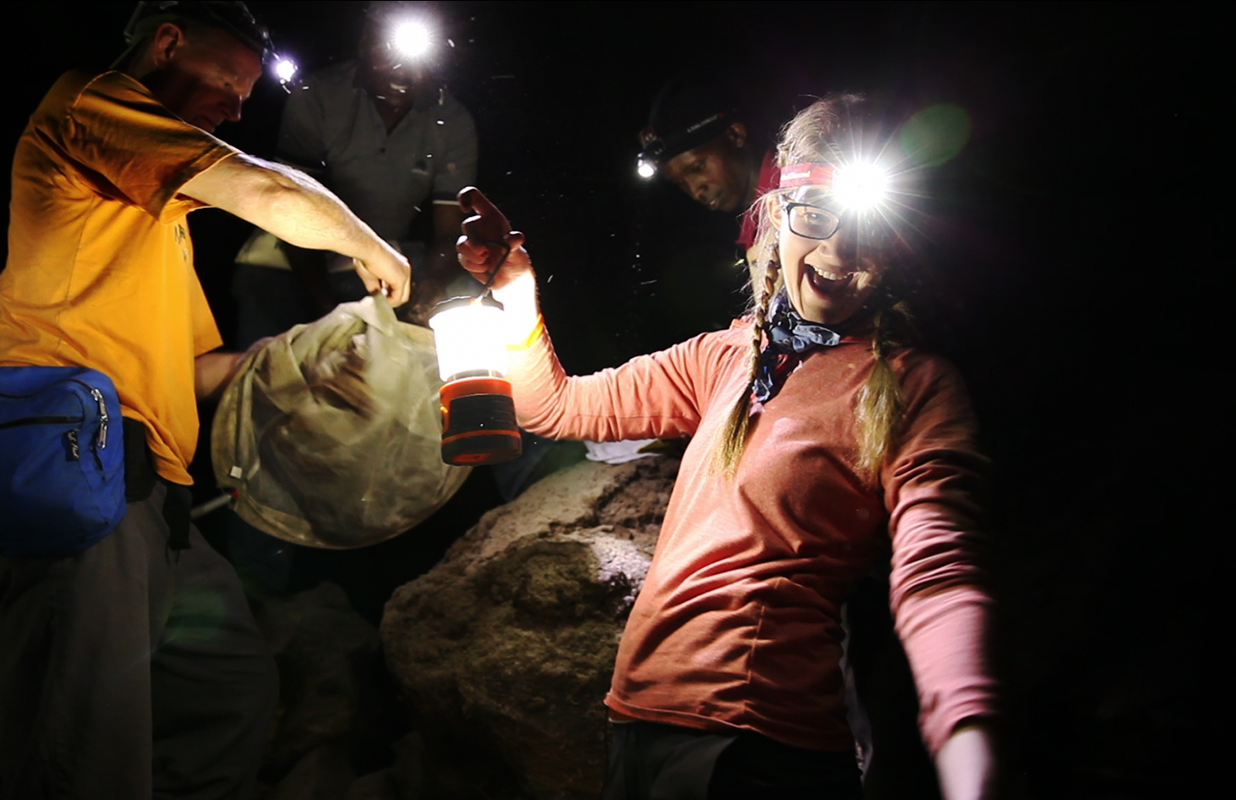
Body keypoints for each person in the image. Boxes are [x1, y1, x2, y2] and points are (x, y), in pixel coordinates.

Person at [458, 93, 997, 799]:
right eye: (815, 215)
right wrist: (517, 291)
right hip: (641, 722)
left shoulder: (909, 384)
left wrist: (965, 733)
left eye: (868, 229)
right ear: (776, 215)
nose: (838, 251)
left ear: (898, 244)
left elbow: (937, 567)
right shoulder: (726, 357)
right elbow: (555, 408)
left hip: (758, 750)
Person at [0, 3, 410, 798]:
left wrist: (294, 359)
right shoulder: (87, 106)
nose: (239, 108)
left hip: (155, 500)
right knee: (84, 744)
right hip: (70, 464)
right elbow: (261, 188)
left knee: (227, 692)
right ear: (168, 42)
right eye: (229, 83)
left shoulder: (154, 213)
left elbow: (199, 367)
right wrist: (365, 242)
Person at [231, 0, 478, 345]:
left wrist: (430, 289)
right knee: (264, 285)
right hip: (303, 241)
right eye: (387, 48)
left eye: (414, 54)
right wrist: (327, 310)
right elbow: (289, 200)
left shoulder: (452, 121)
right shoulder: (318, 95)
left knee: (471, 293)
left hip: (393, 251)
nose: (401, 67)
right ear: (364, 45)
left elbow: (449, 233)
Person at [637, 74, 780, 267]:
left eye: (698, 167)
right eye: (681, 183)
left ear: (734, 134)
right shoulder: (750, 233)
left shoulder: (806, 195)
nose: (696, 192)